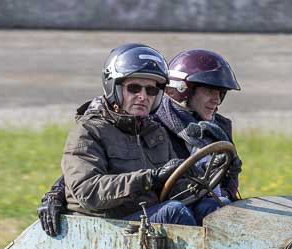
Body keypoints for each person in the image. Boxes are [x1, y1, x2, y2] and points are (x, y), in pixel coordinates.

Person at [38, 43, 201, 236]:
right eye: (134, 88)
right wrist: (150, 178)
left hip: (143, 219)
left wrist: (194, 176)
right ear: (114, 87)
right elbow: (88, 191)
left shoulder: (155, 132)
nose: (143, 96)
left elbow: (175, 189)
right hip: (103, 228)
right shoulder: (88, 130)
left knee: (212, 207)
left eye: (151, 90)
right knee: (173, 212)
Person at [158, 48, 243, 218]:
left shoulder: (219, 129)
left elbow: (228, 191)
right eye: (210, 91)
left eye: (221, 93)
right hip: (171, 214)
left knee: (229, 208)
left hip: (210, 206)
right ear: (183, 89)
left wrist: (232, 170)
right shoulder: (154, 126)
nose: (217, 100)